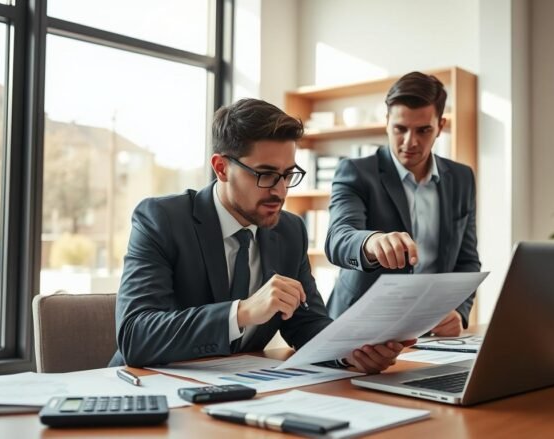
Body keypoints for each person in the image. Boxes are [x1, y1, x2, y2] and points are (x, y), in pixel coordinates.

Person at [109, 98, 412, 372]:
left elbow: (306, 323)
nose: (280, 191)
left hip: (238, 393)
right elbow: (136, 336)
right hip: (147, 392)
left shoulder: (290, 230)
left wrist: (350, 352)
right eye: (265, 175)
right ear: (221, 168)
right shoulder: (162, 220)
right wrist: (241, 312)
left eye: (288, 175)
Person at [325, 72, 481, 336]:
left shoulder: (461, 178)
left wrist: (459, 311)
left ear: (440, 126)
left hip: (427, 332)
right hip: (356, 326)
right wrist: (371, 242)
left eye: (423, 130)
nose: (410, 142)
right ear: (387, 122)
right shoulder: (355, 172)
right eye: (400, 129)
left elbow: (467, 261)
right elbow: (338, 239)